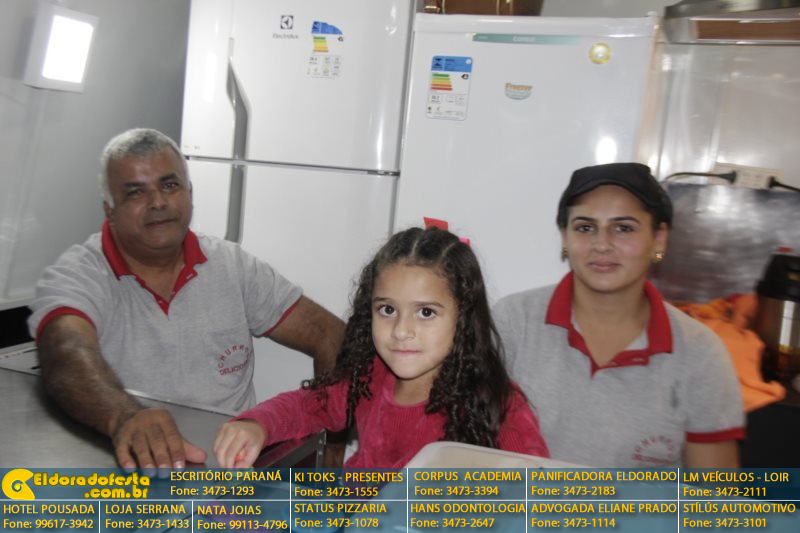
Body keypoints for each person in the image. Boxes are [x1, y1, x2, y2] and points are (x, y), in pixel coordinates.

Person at [28, 128, 344, 470]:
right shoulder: (82, 272)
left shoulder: (232, 266)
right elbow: (65, 350)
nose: (158, 202)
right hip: (128, 474)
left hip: (231, 480)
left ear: (189, 194)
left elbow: (330, 336)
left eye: (169, 185)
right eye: (136, 192)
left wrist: (332, 443)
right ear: (110, 210)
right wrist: (124, 417)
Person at [213, 226, 550, 468]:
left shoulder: (498, 405)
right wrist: (258, 424)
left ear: (463, 318)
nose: (401, 331)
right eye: (387, 309)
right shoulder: (368, 378)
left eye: (426, 313)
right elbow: (308, 405)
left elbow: (539, 499)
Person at [493, 162, 745, 468]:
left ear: (659, 239)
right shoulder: (513, 322)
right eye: (585, 227)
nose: (601, 244)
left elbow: (715, 491)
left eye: (623, 228)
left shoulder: (700, 354)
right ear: (564, 237)